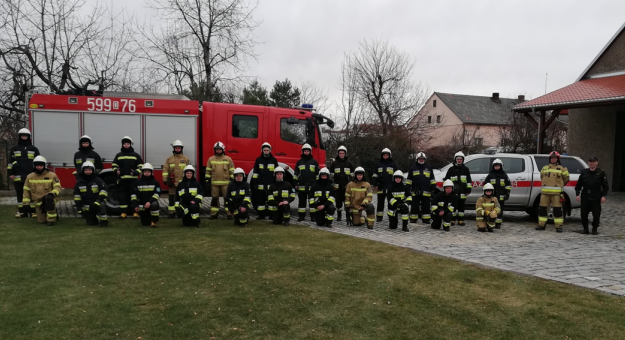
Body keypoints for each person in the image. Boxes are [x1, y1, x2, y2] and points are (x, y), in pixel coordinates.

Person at [8, 128, 40, 218]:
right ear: (19, 137)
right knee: (20, 194)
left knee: (33, 193)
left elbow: (38, 162)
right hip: (18, 175)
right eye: (22, 136)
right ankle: (22, 212)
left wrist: (38, 173)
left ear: (29, 137)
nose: (24, 137)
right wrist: (11, 173)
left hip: (31, 175)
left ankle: (33, 211)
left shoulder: (34, 149)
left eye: (26, 136)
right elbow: (10, 162)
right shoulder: (14, 149)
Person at [22, 156, 61, 226]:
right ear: (34, 166)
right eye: (37, 165)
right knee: (41, 221)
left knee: (49, 203)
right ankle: (52, 215)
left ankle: (51, 220)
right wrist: (26, 203)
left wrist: (52, 194)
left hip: (49, 198)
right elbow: (26, 190)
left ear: (44, 166)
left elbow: (57, 186)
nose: (39, 167)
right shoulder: (30, 176)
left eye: (41, 165)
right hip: (37, 201)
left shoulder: (52, 175)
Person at [536, 151, 569, 233]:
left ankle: (558, 226)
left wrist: (559, 186)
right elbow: (541, 177)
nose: (553, 159)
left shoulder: (562, 168)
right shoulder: (544, 168)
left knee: (557, 210)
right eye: (552, 158)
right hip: (545, 194)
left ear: (558, 159)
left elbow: (566, 179)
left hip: (557, 194)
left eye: (555, 158)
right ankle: (541, 225)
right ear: (549, 159)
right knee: (542, 209)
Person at [575, 156, 609, 235]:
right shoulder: (584, 172)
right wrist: (577, 194)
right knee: (584, 214)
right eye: (590, 162)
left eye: (594, 162)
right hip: (585, 195)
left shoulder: (601, 173)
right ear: (588, 163)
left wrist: (604, 196)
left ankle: (594, 229)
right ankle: (585, 229)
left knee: (596, 214)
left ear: (597, 162)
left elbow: (605, 186)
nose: (592, 163)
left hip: (596, 196)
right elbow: (579, 184)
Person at [112, 136, 143, 219]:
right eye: (125, 144)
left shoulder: (136, 155)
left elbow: (140, 166)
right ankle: (123, 213)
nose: (126, 145)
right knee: (123, 197)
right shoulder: (118, 155)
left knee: (134, 196)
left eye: (128, 144)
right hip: (122, 180)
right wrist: (116, 171)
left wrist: (136, 172)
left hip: (133, 181)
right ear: (122, 145)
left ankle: (135, 212)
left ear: (130, 145)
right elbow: (114, 165)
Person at [205, 141, 235, 220]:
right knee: (214, 199)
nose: (218, 151)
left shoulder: (228, 159)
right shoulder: (211, 159)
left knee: (227, 199)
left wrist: (232, 180)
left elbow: (231, 170)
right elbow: (208, 171)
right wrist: (207, 180)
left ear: (223, 149)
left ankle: (229, 213)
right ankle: (214, 214)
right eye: (217, 149)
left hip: (226, 183)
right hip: (214, 183)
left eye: (219, 149)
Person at [74, 161, 109, 227]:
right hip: (87, 205)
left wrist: (98, 200)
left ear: (93, 170)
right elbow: (77, 195)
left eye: (89, 170)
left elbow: (104, 190)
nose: (88, 172)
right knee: (91, 223)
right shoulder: (79, 182)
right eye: (86, 170)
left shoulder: (98, 180)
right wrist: (79, 207)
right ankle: (95, 218)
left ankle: (103, 221)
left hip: (97, 202)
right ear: (82, 171)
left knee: (101, 205)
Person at [162, 140, 190, 219]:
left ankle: (180, 212)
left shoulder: (186, 159)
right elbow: (165, 170)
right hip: (172, 183)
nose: (177, 149)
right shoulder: (169, 159)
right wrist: (165, 179)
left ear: (181, 149)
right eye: (176, 148)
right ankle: (171, 212)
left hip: (182, 184)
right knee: (171, 198)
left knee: (182, 199)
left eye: (179, 148)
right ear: (174, 149)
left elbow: (189, 171)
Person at [406, 152, 436, 225]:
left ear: (425, 159)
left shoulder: (429, 168)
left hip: (426, 191)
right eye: (420, 159)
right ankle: (413, 219)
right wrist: (407, 190)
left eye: (423, 159)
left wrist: (433, 189)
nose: (421, 160)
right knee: (414, 206)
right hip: (415, 191)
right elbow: (409, 180)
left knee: (426, 206)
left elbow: (432, 179)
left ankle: (426, 219)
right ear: (417, 159)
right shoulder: (413, 168)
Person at [251, 142, 279, 220]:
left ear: (270, 150)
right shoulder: (258, 160)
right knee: (260, 200)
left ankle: (271, 215)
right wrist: (255, 182)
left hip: (271, 184)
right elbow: (255, 172)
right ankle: (261, 215)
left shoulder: (273, 160)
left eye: (267, 150)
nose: (266, 151)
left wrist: (276, 182)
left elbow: (276, 172)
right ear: (262, 150)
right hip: (260, 184)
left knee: (271, 200)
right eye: (265, 150)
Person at [443, 151, 472, 226]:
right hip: (453, 192)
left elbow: (469, 180)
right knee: (453, 206)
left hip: (462, 192)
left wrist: (468, 190)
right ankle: (452, 220)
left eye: (460, 159)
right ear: (455, 159)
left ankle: (460, 220)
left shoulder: (466, 169)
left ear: (463, 160)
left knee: (461, 207)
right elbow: (447, 179)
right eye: (458, 159)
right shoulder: (451, 169)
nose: (459, 160)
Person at [294, 143, 319, 222]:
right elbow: (295, 174)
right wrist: (295, 184)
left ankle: (313, 217)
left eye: (308, 151)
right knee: (301, 202)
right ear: (303, 152)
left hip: (312, 186)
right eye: (305, 151)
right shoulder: (299, 162)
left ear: (310, 152)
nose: (306, 152)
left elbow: (317, 174)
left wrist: (317, 184)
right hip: (302, 186)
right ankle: (301, 216)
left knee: (312, 202)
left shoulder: (314, 162)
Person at [328, 145, 354, 222]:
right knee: (338, 203)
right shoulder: (334, 163)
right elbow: (331, 174)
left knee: (347, 202)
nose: (341, 154)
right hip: (337, 187)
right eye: (340, 153)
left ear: (345, 154)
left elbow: (353, 174)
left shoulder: (349, 163)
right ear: (338, 154)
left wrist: (349, 178)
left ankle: (347, 217)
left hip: (346, 186)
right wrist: (335, 176)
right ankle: (339, 216)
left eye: (343, 153)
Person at [371, 148, 398, 222]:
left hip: (390, 187)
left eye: (387, 155)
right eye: (384, 155)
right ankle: (379, 217)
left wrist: (395, 186)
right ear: (382, 156)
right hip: (380, 187)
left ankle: (391, 215)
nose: (385, 156)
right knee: (380, 203)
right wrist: (375, 185)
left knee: (391, 202)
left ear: (389, 156)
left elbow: (397, 176)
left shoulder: (393, 165)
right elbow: (374, 175)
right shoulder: (378, 165)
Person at [131, 163, 161, 228]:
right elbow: (133, 195)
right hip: (142, 205)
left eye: (148, 172)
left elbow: (157, 194)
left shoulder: (155, 182)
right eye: (145, 172)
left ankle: (154, 221)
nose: (147, 173)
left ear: (151, 172)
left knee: (155, 204)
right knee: (145, 224)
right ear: (142, 172)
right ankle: (148, 219)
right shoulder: (137, 183)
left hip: (151, 203)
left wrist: (149, 202)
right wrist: (135, 205)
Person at [484, 158, 511, 229]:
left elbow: (508, 185)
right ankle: (491, 221)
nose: (497, 167)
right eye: (495, 166)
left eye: (498, 166)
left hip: (501, 196)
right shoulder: (490, 175)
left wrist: (507, 193)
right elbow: (486, 184)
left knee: (500, 210)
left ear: (501, 166)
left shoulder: (504, 175)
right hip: (492, 196)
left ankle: (498, 223)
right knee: (491, 209)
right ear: (493, 166)